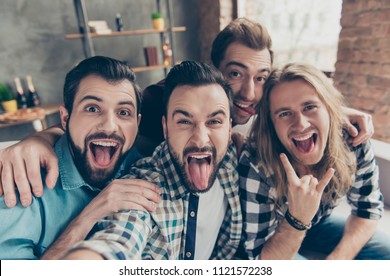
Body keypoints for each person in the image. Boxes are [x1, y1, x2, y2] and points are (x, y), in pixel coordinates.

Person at [0, 18, 373, 207]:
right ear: (214, 70)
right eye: (235, 74)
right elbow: (100, 121)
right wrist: (42, 137)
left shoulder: (262, 100)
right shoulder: (157, 99)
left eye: (261, 77)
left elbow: (301, 99)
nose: (249, 92)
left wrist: (337, 111)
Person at [62, 61, 241, 260]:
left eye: (214, 121)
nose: (200, 139)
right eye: (184, 121)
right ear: (165, 128)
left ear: (229, 128)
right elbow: (119, 241)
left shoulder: (233, 158)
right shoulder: (143, 184)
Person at [0, 56, 160, 259]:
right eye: (92, 109)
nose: (109, 126)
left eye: (123, 112)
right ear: (65, 119)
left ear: (137, 124)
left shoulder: (147, 167)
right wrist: (88, 217)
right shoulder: (22, 188)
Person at [239, 62, 390, 260]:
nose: (300, 124)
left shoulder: (353, 140)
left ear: (329, 109)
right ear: (272, 124)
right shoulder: (255, 163)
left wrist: (337, 261)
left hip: (317, 225)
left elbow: (367, 209)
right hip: (274, 235)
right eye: (284, 113)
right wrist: (297, 218)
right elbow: (261, 262)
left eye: (310, 107)